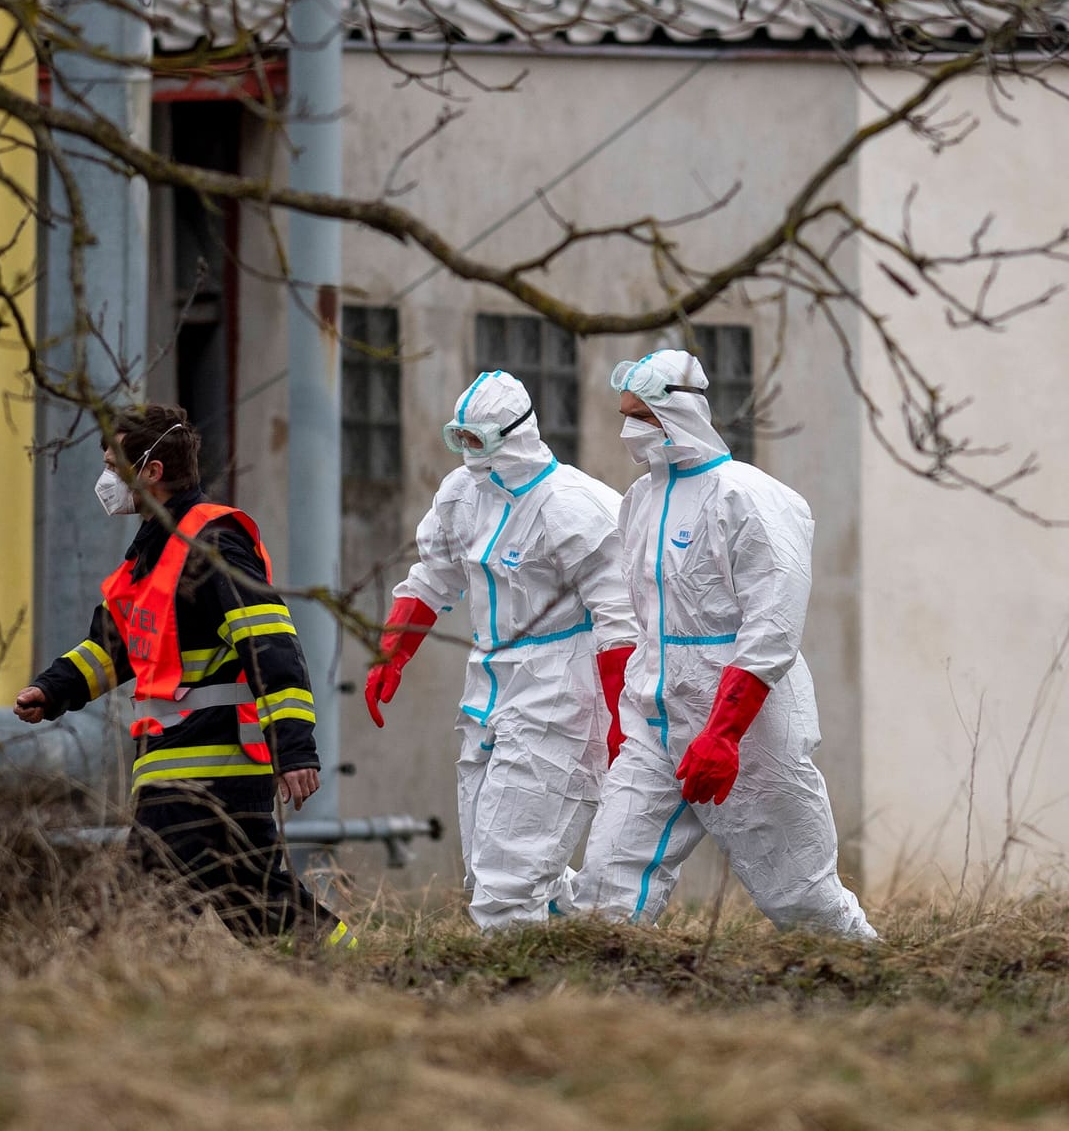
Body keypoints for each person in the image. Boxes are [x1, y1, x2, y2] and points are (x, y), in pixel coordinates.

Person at [15, 404, 354, 950]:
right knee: (256, 906)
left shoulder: (213, 543)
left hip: (212, 767)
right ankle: (354, 970)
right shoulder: (148, 557)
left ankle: (123, 989)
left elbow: (269, 641)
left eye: (112, 463)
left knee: (139, 912)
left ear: (150, 471)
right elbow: (115, 646)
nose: (105, 478)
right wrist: (54, 689)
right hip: (180, 765)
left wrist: (294, 749)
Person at [571, 349, 875, 937]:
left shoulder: (751, 498)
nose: (630, 430)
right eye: (626, 415)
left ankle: (867, 977)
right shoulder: (639, 501)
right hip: (654, 714)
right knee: (606, 888)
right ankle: (609, 1007)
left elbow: (772, 626)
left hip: (745, 717)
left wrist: (724, 732)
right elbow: (641, 618)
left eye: (644, 416)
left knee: (802, 898)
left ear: (680, 412)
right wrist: (625, 710)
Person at [364, 371, 638, 929]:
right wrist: (390, 654)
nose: (466, 452)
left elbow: (620, 616)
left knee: (506, 882)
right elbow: (433, 577)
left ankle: (515, 1004)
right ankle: (587, 946)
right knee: (488, 864)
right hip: (489, 682)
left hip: (561, 686)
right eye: (458, 438)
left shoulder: (572, 507)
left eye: (477, 440)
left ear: (512, 435)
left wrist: (622, 715)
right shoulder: (462, 496)